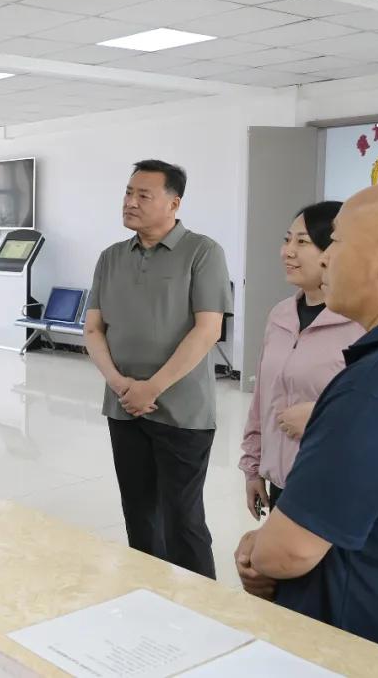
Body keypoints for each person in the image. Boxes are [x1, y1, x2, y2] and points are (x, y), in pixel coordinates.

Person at [236, 180, 378, 660]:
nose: (327, 259)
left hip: (358, 640)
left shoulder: (377, 383)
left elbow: (289, 552)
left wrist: (260, 548)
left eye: (335, 242)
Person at [84, 159, 232, 579]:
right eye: (128, 193)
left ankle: (201, 605)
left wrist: (153, 386)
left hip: (182, 412)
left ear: (174, 203)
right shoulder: (111, 257)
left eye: (143, 195)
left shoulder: (202, 252)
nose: (130, 202)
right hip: (124, 408)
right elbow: (93, 329)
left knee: (182, 519)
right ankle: (149, 594)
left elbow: (208, 330)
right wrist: (119, 383)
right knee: (138, 512)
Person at [240, 202, 364, 519]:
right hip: (282, 483)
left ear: (333, 251)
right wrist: (253, 468)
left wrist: (321, 416)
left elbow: (377, 413)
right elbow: (262, 399)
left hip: (335, 486)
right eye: (287, 240)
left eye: (302, 242)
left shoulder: (361, 322)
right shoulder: (280, 315)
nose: (287, 252)